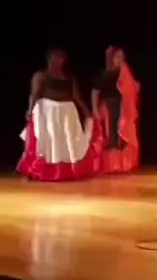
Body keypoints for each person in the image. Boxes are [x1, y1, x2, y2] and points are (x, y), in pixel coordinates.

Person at [18, 49, 98, 181]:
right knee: (50, 141)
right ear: (49, 59)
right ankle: (41, 171)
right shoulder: (41, 75)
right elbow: (34, 94)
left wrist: (86, 111)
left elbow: (76, 96)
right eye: (55, 57)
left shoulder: (69, 77)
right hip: (49, 111)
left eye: (61, 58)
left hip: (67, 112)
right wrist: (30, 110)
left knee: (67, 141)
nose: (58, 60)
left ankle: (66, 171)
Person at [91, 46, 140, 174]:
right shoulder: (104, 74)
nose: (120, 59)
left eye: (122, 57)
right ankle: (109, 166)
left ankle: (122, 166)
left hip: (123, 107)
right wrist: (95, 109)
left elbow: (132, 89)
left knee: (122, 135)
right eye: (117, 56)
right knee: (110, 134)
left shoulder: (125, 73)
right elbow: (95, 92)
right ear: (111, 58)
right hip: (108, 106)